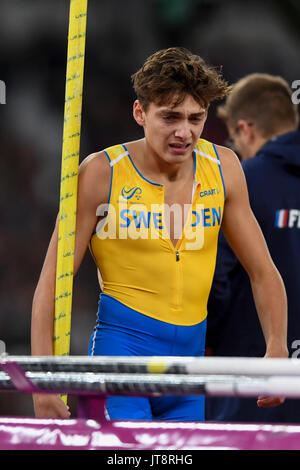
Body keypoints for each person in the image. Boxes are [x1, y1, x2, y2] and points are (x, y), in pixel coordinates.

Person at [31, 48, 288, 421]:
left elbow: (263, 271)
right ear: (140, 113)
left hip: (188, 371)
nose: (184, 132)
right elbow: (53, 283)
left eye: (195, 118)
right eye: (170, 117)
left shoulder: (224, 168)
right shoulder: (102, 173)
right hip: (121, 358)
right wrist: (42, 381)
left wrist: (276, 348)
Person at [205, 73, 300, 423]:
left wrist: (205, 338)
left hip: (251, 381)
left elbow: (216, 278)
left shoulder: (242, 182)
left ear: (245, 130)